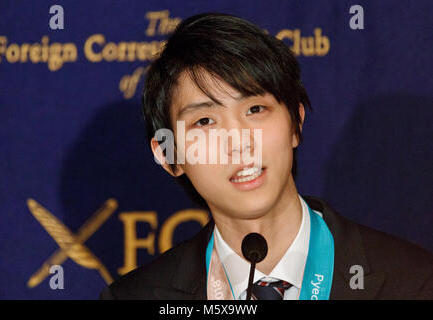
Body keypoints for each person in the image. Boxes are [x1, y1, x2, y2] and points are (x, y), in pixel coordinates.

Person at [100, 13, 432, 300]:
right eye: (205, 121)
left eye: (256, 109)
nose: (240, 142)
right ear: (169, 156)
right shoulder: (135, 296)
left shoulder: (412, 281)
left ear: (296, 124)